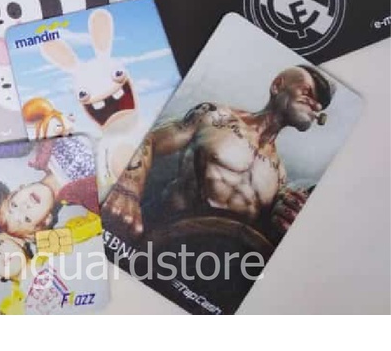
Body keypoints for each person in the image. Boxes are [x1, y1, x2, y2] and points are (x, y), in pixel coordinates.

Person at [103, 65, 335, 245]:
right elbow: (150, 139)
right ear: (277, 86)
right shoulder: (214, 116)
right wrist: (127, 188)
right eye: (307, 92)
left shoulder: (280, 176)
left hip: (208, 261)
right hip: (157, 234)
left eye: (319, 104)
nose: (315, 105)